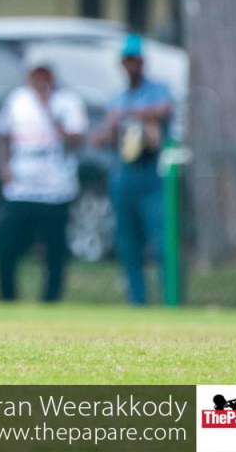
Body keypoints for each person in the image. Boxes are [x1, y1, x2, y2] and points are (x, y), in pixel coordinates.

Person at [0, 57, 87, 302]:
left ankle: (51, 300)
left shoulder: (67, 102)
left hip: (56, 187)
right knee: (7, 246)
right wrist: (3, 168)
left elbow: (77, 140)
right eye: (36, 75)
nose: (40, 81)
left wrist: (52, 114)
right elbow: (2, 136)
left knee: (55, 250)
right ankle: (7, 299)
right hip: (22, 184)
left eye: (44, 75)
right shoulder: (17, 100)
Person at [92, 35, 174, 305]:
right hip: (124, 175)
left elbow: (164, 110)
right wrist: (107, 131)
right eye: (127, 61)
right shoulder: (118, 97)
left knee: (161, 243)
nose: (132, 65)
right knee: (128, 245)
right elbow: (105, 133)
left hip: (151, 174)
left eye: (135, 60)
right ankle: (137, 301)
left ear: (142, 62)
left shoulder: (157, 90)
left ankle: (170, 299)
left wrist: (130, 115)